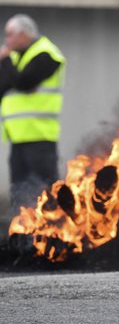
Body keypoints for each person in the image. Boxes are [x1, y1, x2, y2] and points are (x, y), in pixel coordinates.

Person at [0, 14, 66, 212]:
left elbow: (24, 82)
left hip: (40, 137)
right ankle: (21, 236)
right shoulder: (15, 58)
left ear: (24, 34)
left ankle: (51, 234)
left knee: (44, 191)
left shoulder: (47, 54)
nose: (7, 41)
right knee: (19, 193)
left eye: (10, 35)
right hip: (18, 138)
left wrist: (5, 61)